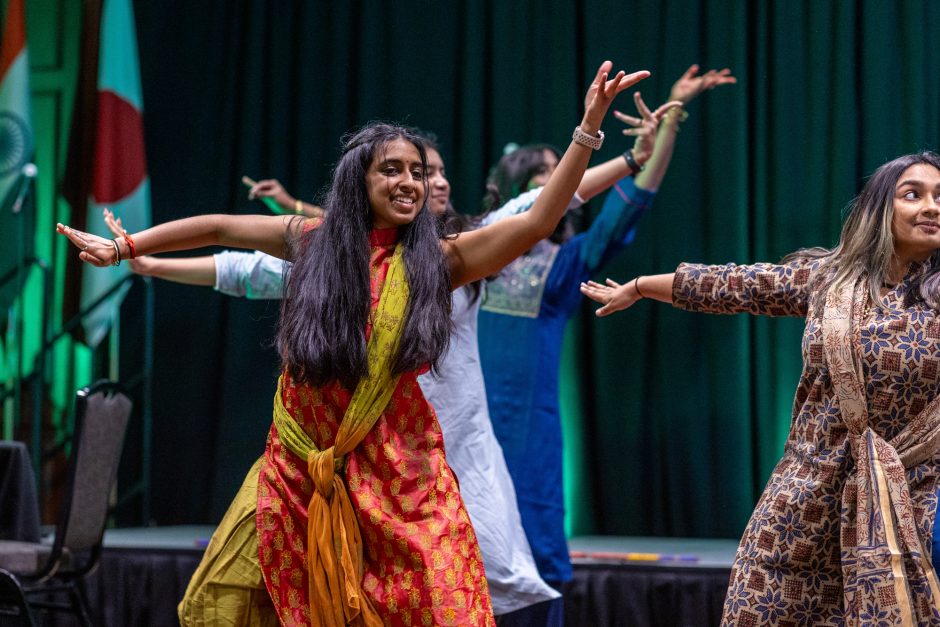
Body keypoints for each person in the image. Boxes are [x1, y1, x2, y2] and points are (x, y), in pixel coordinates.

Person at [58, 60, 644, 626]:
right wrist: (127, 249)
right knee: (228, 596)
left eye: (417, 171)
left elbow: (538, 220)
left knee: (436, 601)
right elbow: (218, 228)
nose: (410, 182)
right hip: (296, 462)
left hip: (396, 469)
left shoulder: (442, 261)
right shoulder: (314, 243)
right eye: (392, 169)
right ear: (358, 179)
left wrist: (589, 127)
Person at [581, 151, 940, 624]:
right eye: (912, 194)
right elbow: (739, 285)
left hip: (906, 507)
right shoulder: (830, 279)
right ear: (878, 209)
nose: (931, 206)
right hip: (803, 499)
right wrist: (643, 285)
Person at [474, 64, 736, 621]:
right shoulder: (471, 253)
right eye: (543, 177)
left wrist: (669, 123)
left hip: (524, 435)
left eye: (563, 174)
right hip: (459, 424)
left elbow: (633, 200)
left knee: (535, 557)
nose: (561, 183)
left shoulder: (566, 265)